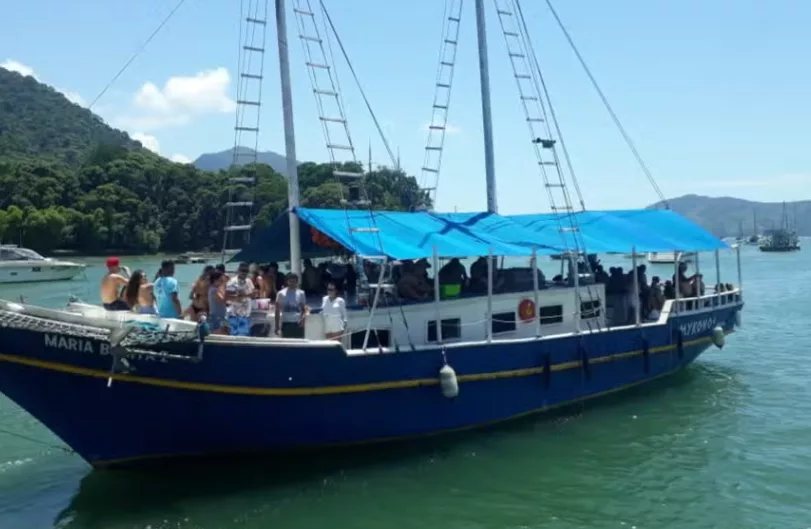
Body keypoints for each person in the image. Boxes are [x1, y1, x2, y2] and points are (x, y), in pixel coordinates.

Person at [225, 262, 255, 336]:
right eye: (242, 270)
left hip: (245, 314)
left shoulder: (249, 281)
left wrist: (244, 294)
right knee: (234, 334)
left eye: (246, 271)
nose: (244, 273)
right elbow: (227, 296)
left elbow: (253, 294)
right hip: (234, 313)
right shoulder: (232, 282)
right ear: (238, 270)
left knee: (244, 334)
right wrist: (238, 296)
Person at [275, 273, 307, 338]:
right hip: (286, 323)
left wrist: (303, 319)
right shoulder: (281, 293)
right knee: (286, 345)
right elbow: (277, 311)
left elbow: (304, 309)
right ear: (287, 281)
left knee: (299, 345)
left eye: (294, 282)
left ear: (297, 282)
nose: (292, 283)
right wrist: (277, 326)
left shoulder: (301, 293)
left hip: (298, 323)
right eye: (290, 281)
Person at [207, 270, 229, 334]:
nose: (221, 282)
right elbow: (222, 300)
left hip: (220, 317)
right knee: (217, 333)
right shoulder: (213, 290)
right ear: (215, 280)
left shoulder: (216, 289)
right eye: (221, 280)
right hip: (216, 317)